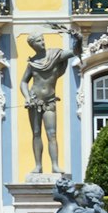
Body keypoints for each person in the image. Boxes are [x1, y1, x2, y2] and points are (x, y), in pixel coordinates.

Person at [20, 33, 71, 174]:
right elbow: (24, 82)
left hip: (49, 101)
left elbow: (75, 52)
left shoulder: (55, 55)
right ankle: (38, 166)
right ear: (33, 45)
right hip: (35, 100)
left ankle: (55, 165)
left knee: (52, 133)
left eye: (42, 39)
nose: (42, 42)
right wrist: (27, 97)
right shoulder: (32, 63)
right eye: (38, 41)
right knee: (36, 133)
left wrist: (78, 40)